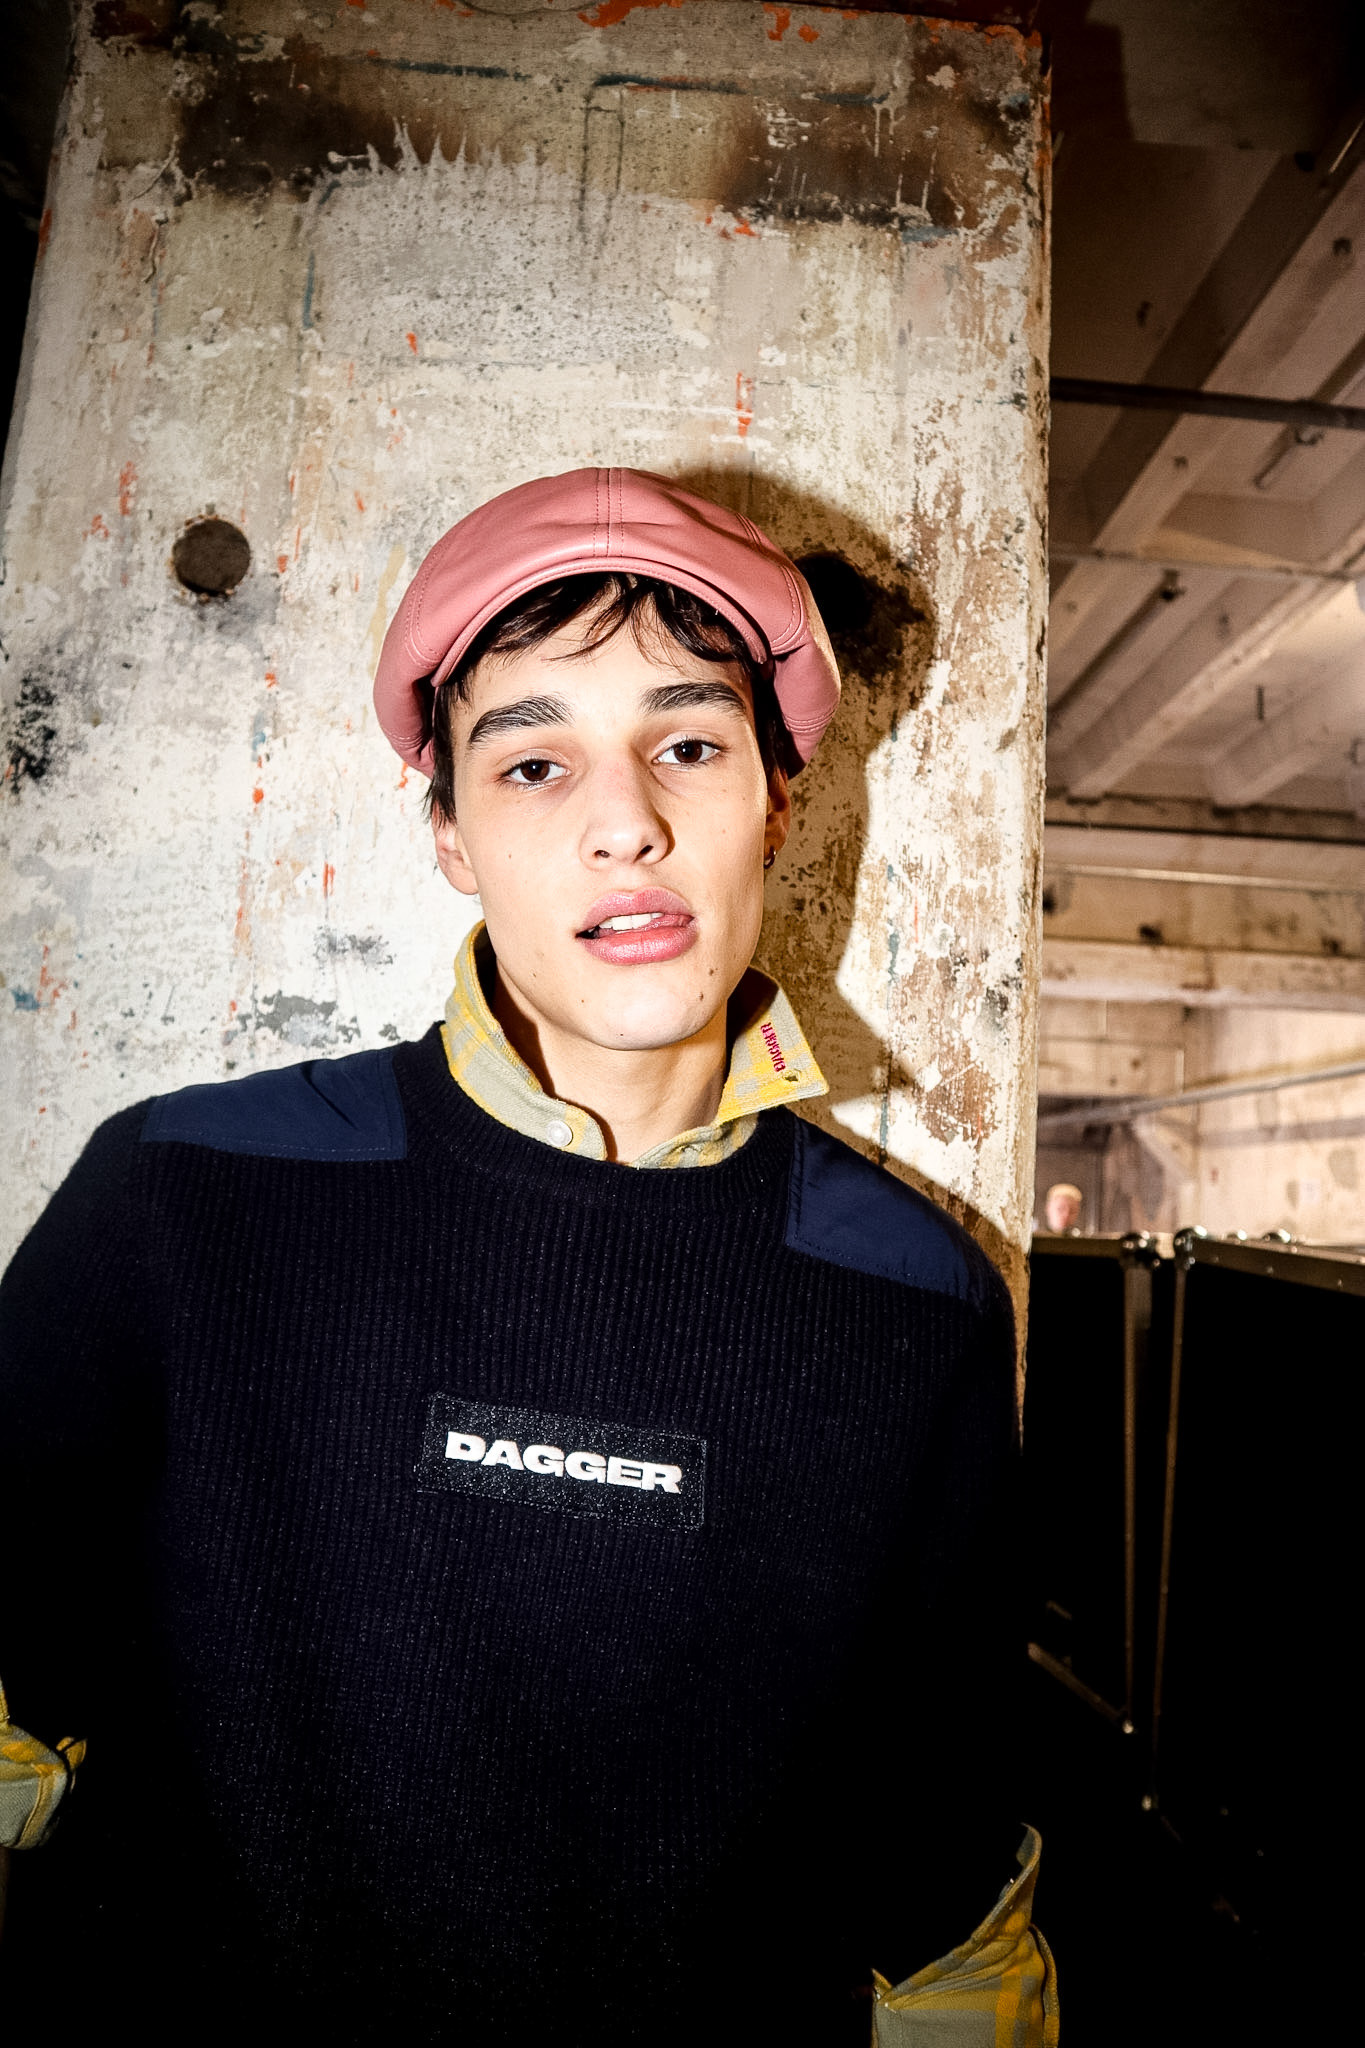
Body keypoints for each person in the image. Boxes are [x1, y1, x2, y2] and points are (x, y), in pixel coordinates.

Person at [0, 470, 1054, 2043]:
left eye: (687, 745)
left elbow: (949, 1894)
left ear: (779, 797)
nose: (624, 822)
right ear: (449, 834)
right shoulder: (186, 1193)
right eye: (534, 761)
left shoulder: (915, 1301)